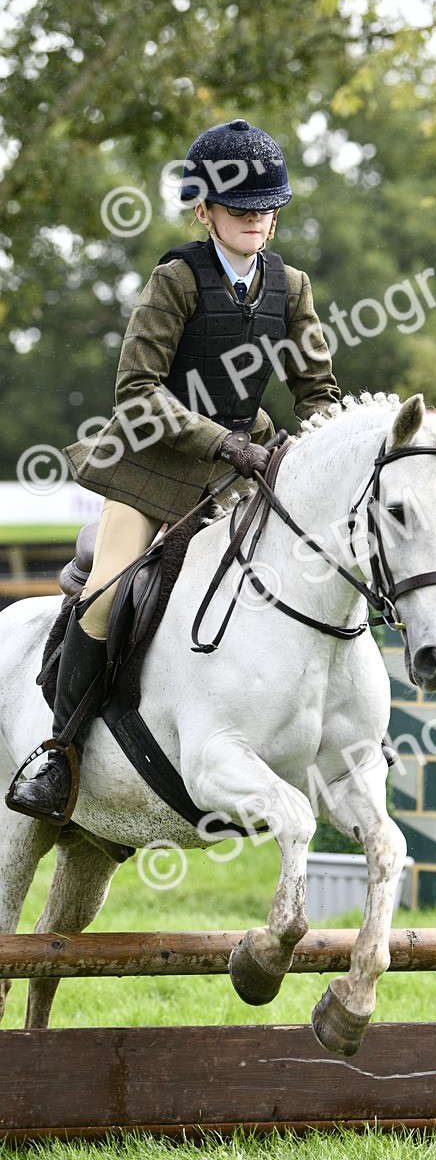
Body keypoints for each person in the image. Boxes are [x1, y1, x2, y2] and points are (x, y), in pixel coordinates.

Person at [10, 119, 340, 823]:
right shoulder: (177, 280)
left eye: (267, 206)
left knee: (308, 575)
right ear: (205, 210)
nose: (258, 217)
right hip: (150, 470)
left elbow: (318, 394)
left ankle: (340, 737)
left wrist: (314, 452)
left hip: (238, 478)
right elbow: (137, 392)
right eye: (243, 207)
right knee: (106, 595)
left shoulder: (292, 285)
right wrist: (224, 443)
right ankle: (58, 754)